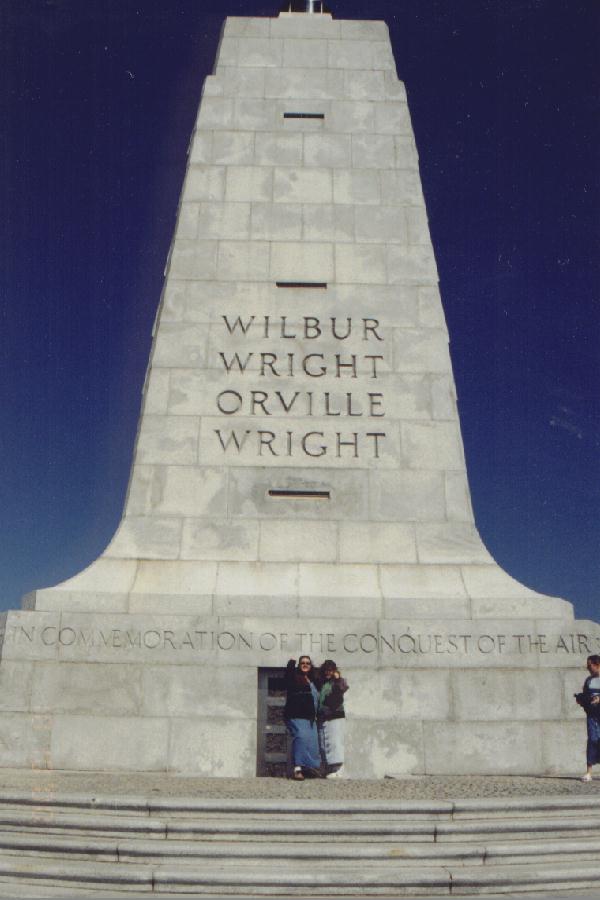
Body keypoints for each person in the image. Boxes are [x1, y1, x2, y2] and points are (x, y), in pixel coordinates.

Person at [283, 656, 321, 780]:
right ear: (299, 665)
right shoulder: (294, 677)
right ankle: (297, 769)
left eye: (308, 663)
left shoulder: (313, 680)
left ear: (311, 665)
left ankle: (309, 768)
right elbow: (287, 677)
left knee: (312, 742)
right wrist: (291, 663)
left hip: (309, 717)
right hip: (295, 714)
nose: (305, 665)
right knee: (301, 737)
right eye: (302, 663)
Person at [316, 659, 349, 779]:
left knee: (335, 743)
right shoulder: (323, 683)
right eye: (326, 670)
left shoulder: (338, 682)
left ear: (334, 671)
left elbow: (344, 688)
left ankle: (338, 769)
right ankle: (328, 768)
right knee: (324, 743)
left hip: (335, 716)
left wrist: (337, 678)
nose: (327, 672)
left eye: (330, 670)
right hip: (323, 717)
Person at [575, 654, 600, 782]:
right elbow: (586, 695)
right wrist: (582, 700)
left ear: (597, 665)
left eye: (589, 665)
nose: (588, 668)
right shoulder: (589, 680)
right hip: (592, 715)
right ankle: (589, 772)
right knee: (592, 740)